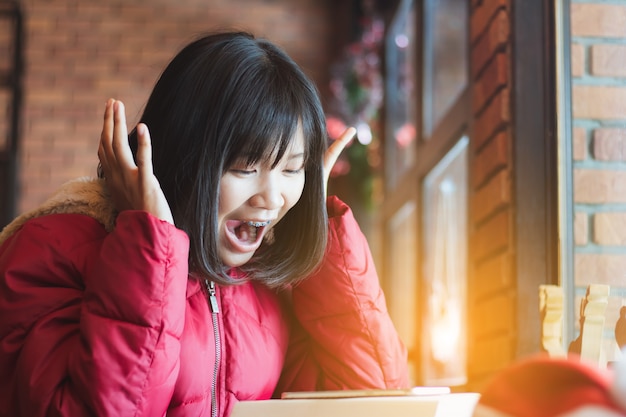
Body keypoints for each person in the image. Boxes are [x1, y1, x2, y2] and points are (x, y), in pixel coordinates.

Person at [0, 31, 409, 417]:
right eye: (246, 166)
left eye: (291, 168)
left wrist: (320, 239)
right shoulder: (51, 249)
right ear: (185, 153)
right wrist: (149, 245)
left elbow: (374, 402)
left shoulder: (270, 285)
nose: (271, 197)